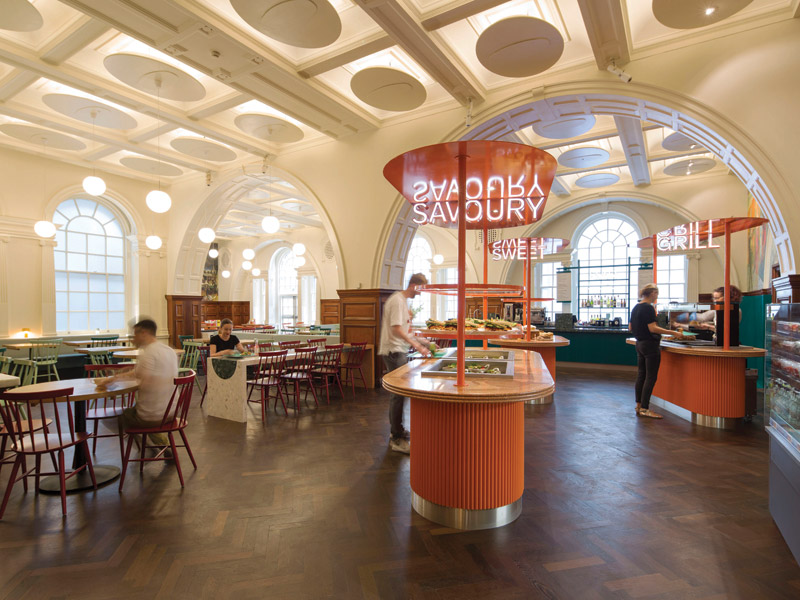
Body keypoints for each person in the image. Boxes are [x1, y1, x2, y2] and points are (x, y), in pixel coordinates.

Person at [101, 318, 179, 447]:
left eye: (135, 334)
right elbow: (140, 373)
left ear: (144, 333)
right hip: (171, 412)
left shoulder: (148, 353)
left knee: (109, 419)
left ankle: (146, 446)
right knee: (140, 409)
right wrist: (116, 377)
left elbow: (144, 381)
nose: (133, 338)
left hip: (152, 416)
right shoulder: (169, 350)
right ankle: (160, 444)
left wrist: (113, 387)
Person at [379, 273, 432, 454]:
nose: (421, 293)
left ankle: (398, 430)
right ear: (414, 285)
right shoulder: (397, 301)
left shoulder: (403, 302)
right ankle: (396, 438)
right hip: (394, 351)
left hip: (398, 349)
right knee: (398, 394)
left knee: (400, 394)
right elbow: (396, 330)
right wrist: (417, 346)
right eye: (421, 289)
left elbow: (405, 330)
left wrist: (423, 342)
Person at [629, 284, 680, 419]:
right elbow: (652, 328)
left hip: (640, 344)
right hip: (650, 345)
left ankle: (639, 405)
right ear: (652, 293)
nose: (657, 296)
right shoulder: (648, 308)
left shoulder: (636, 307)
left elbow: (630, 327)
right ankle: (645, 408)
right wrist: (673, 332)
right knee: (651, 377)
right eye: (657, 293)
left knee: (641, 375)